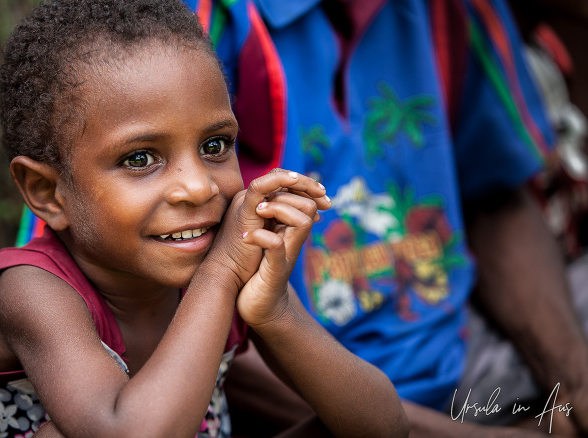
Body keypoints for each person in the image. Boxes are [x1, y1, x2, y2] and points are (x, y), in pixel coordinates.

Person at [0, 1, 410, 437]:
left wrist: (274, 311)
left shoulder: (220, 260)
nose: (199, 187)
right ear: (48, 192)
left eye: (214, 146)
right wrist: (221, 275)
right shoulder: (31, 292)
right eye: (140, 159)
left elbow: (384, 427)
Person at [174, 0, 588, 436]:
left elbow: (493, 195)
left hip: (470, 361)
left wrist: (575, 383)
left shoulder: (453, 11)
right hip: (315, 401)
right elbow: (191, 326)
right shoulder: (198, 22)